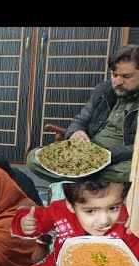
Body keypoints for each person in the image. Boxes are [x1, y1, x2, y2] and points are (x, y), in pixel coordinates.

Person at [27, 44, 139, 183]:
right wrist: (75, 132)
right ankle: (84, 176)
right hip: (87, 153)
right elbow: (80, 120)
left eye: (126, 76)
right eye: (114, 75)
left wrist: (107, 155)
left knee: (130, 172)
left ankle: (78, 176)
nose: (117, 82)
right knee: (34, 158)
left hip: (120, 159)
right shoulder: (104, 89)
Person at [11, 181, 139, 266]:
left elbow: (134, 253)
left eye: (113, 208)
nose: (104, 220)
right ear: (71, 205)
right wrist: (25, 222)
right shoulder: (59, 210)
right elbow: (39, 218)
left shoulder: (127, 220)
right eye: (90, 211)